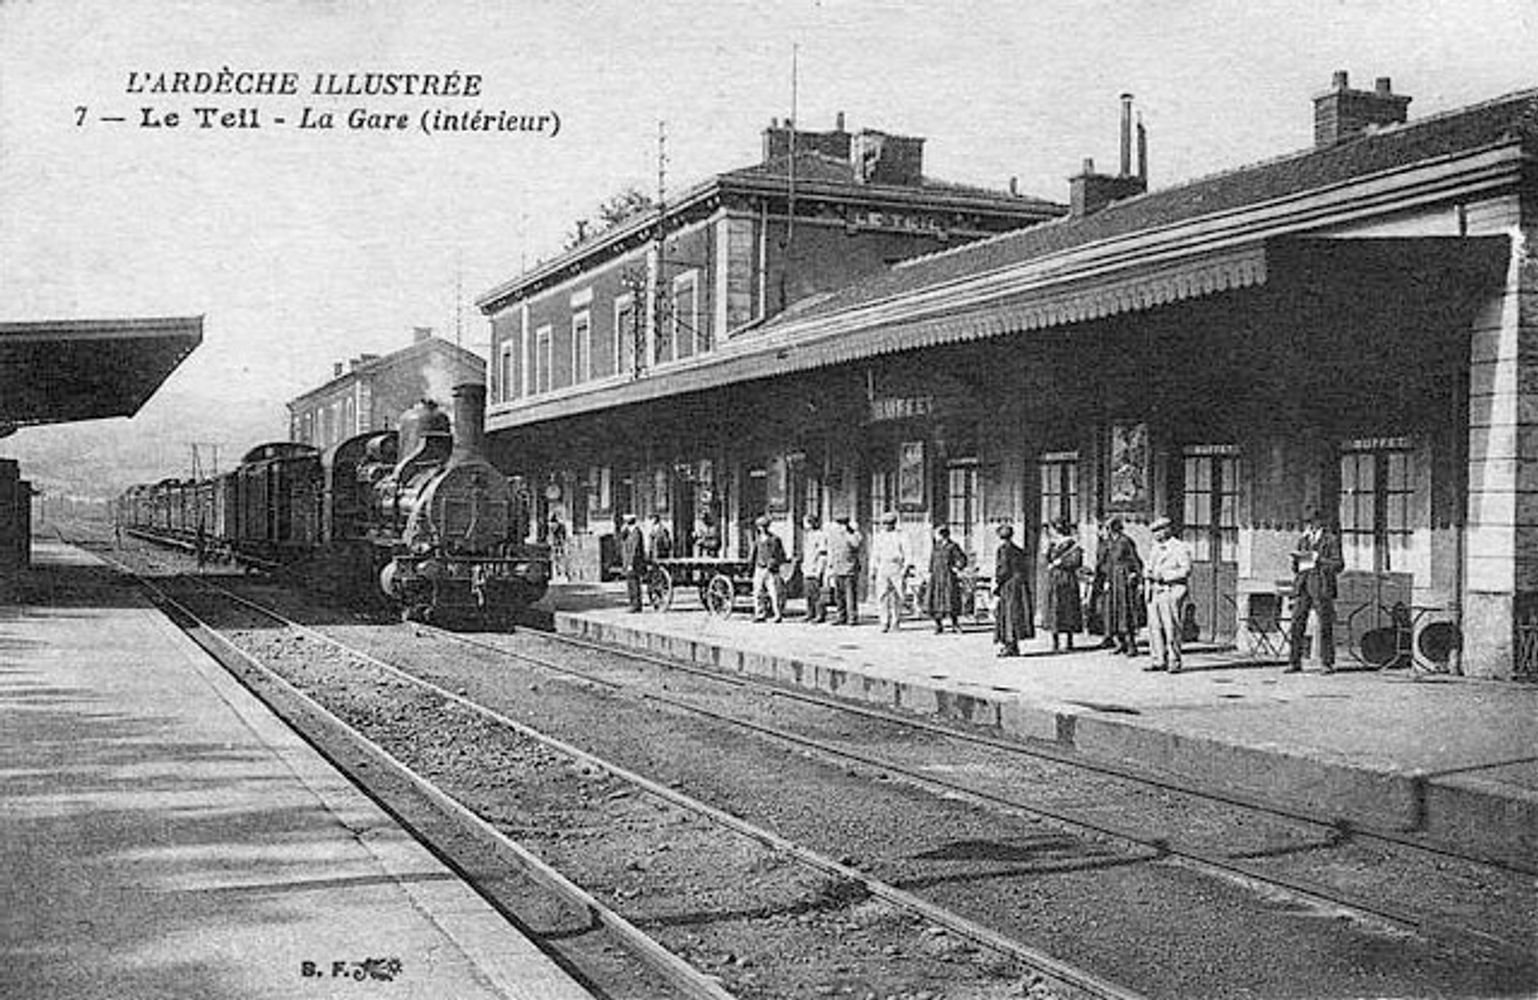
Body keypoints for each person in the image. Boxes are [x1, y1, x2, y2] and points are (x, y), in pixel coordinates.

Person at [1287, 505, 1344, 674]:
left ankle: (1327, 663)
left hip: (1322, 585)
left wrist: (1319, 560)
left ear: (1321, 522)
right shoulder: (1303, 540)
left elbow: (1339, 564)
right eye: (1308, 522)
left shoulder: (1330, 540)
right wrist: (1297, 561)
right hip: (1303, 585)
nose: (1311, 526)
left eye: (1313, 522)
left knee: (1325, 625)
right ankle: (1294, 661)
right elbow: (1296, 567)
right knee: (1297, 622)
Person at [1143, 516, 1193, 673]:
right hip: (1154, 591)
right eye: (1154, 532)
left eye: (1159, 531)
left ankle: (1174, 660)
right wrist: (1147, 574)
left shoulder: (1179, 547)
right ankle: (1158, 659)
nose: (1156, 535)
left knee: (1171, 627)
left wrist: (1164, 575)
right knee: (1155, 628)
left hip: (1171, 590)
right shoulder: (1155, 548)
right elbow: (1148, 566)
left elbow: (1185, 570)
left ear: (1168, 530)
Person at [1098, 518, 1145, 656]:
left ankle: (1131, 645)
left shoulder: (1125, 541)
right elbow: (1104, 562)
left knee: (1125, 611)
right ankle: (1120, 643)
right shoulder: (1107, 543)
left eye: (1107, 528)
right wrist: (1106, 579)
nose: (1105, 531)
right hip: (1112, 579)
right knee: (1112, 611)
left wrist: (1136, 576)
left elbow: (1136, 560)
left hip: (1124, 580)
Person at [1042, 517, 1084, 652]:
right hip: (1055, 579)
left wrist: (1061, 563)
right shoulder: (1053, 544)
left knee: (1068, 608)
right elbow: (1047, 560)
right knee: (1055, 608)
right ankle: (1055, 641)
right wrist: (1047, 552)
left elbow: (1076, 562)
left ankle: (1069, 641)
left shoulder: (1072, 544)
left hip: (1067, 579)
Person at [992, 524, 1035, 656]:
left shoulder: (1003, 550)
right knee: (1016, 613)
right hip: (1019, 585)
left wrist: (997, 583)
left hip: (1008, 585)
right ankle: (1013, 645)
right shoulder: (1018, 550)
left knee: (1007, 614)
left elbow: (1003, 569)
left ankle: (1009, 646)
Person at [870, 511, 909, 632]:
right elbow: (875, 553)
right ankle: (884, 621)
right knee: (882, 595)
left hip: (896, 566)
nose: (886, 525)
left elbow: (908, 553)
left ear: (894, 523)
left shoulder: (901, 535)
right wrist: (873, 569)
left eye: (889, 523)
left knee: (898, 596)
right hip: (883, 566)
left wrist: (905, 568)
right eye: (885, 523)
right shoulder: (879, 536)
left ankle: (896, 621)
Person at [925, 524, 967, 634]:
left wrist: (957, 567)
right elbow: (932, 560)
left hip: (948, 576)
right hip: (936, 577)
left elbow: (962, 559)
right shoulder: (936, 546)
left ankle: (955, 624)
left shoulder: (953, 546)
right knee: (936, 601)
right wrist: (930, 572)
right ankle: (938, 625)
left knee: (951, 599)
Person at [749, 515, 787, 622]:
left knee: (774, 593)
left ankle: (777, 614)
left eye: (764, 526)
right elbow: (754, 554)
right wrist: (751, 568)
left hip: (770, 570)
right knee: (758, 592)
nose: (762, 528)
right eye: (760, 527)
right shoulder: (757, 540)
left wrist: (773, 564)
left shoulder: (775, 539)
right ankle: (760, 614)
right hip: (759, 568)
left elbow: (781, 555)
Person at [826, 514, 861, 625]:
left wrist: (849, 533)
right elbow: (831, 550)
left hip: (849, 568)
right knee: (839, 595)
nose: (837, 527)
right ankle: (841, 616)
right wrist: (830, 565)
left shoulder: (852, 535)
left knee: (850, 595)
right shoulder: (834, 535)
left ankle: (852, 617)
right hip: (837, 567)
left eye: (840, 524)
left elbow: (856, 544)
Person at [800, 514, 829, 623]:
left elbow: (823, 554)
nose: (804, 524)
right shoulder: (807, 536)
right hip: (807, 567)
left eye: (806, 522)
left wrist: (820, 569)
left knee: (817, 593)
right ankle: (810, 613)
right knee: (808, 593)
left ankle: (820, 614)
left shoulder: (820, 535)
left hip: (815, 568)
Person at [618, 513, 647, 612]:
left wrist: (631, 563)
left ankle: (636, 605)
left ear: (628, 522)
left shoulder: (636, 532)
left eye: (625, 522)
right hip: (629, 564)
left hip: (634, 564)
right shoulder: (629, 533)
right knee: (630, 584)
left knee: (634, 584)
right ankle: (633, 604)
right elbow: (622, 539)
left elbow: (634, 550)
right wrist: (623, 531)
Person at [548, 513, 569, 581]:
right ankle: (561, 571)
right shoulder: (560, 526)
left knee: (559, 558)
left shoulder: (558, 526)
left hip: (559, 543)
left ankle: (562, 571)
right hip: (558, 544)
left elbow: (563, 536)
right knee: (559, 558)